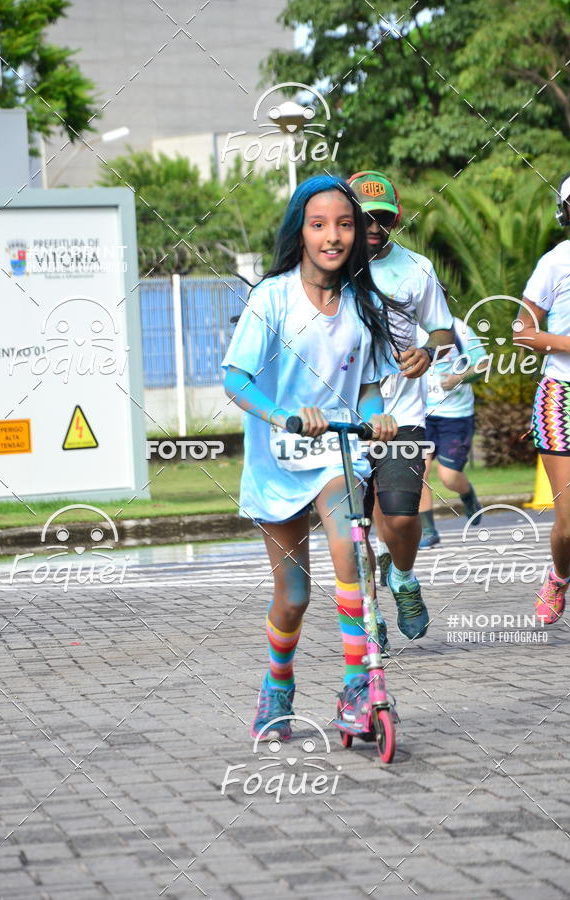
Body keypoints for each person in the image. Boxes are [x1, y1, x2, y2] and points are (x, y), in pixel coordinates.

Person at [222, 174, 404, 741]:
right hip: (278, 459)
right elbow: (235, 379)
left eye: (345, 225)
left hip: (336, 454)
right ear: (300, 231)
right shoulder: (271, 298)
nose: (333, 237)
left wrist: (377, 414)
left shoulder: (363, 302)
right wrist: (283, 415)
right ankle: (277, 685)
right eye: (320, 224)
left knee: (352, 558)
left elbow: (370, 384)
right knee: (293, 596)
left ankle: (357, 688)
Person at [347, 170, 454, 640]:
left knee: (402, 515)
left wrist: (429, 352)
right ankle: (372, 615)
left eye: (383, 218)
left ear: (397, 217)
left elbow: (444, 330)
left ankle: (403, 577)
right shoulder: (327, 267)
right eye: (365, 216)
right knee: (356, 526)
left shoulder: (417, 269)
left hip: (403, 414)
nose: (374, 226)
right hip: (343, 416)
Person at [516, 166, 570, 624]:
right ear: (567, 211)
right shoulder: (556, 262)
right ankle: (560, 573)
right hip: (565, 395)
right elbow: (521, 331)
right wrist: (569, 345)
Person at [418, 315, 487, 548]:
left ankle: (468, 496)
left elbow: (483, 364)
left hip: (455, 415)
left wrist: (458, 378)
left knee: (448, 477)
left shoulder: (460, 329)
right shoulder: (408, 328)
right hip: (420, 415)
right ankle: (428, 530)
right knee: (418, 472)